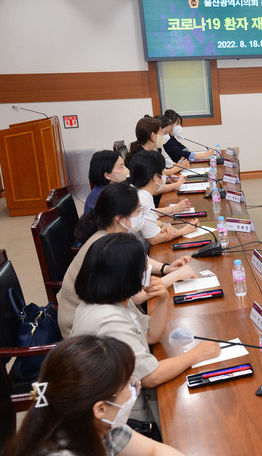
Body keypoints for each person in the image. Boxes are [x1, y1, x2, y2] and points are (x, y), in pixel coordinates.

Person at [70, 234, 220, 423]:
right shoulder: (108, 319)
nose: (146, 273)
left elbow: (151, 335)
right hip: (124, 417)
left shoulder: (113, 298)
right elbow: (151, 376)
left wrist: (163, 299)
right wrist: (197, 354)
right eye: (143, 269)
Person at [3, 335, 185, 456]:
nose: (134, 388)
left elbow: (154, 451)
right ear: (100, 408)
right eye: (128, 384)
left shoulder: (97, 425)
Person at [57, 182, 195, 337]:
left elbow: (140, 259)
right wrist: (177, 275)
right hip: (87, 334)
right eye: (138, 212)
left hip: (108, 315)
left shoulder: (111, 233)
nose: (141, 215)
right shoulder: (107, 249)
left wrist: (166, 268)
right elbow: (135, 297)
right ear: (119, 218)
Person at [127, 150, 199, 245]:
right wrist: (184, 230)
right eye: (163, 172)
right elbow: (154, 239)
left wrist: (164, 223)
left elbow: (149, 215)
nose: (165, 176)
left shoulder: (136, 190)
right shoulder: (142, 198)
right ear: (156, 177)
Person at [124, 116, 187, 185]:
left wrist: (167, 179)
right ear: (153, 136)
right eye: (161, 132)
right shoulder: (142, 158)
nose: (163, 136)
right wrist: (177, 184)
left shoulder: (150, 153)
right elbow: (153, 187)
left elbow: (157, 177)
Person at [84, 150, 129, 215]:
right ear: (107, 175)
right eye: (121, 167)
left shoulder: (110, 188)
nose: (125, 169)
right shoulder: (103, 198)